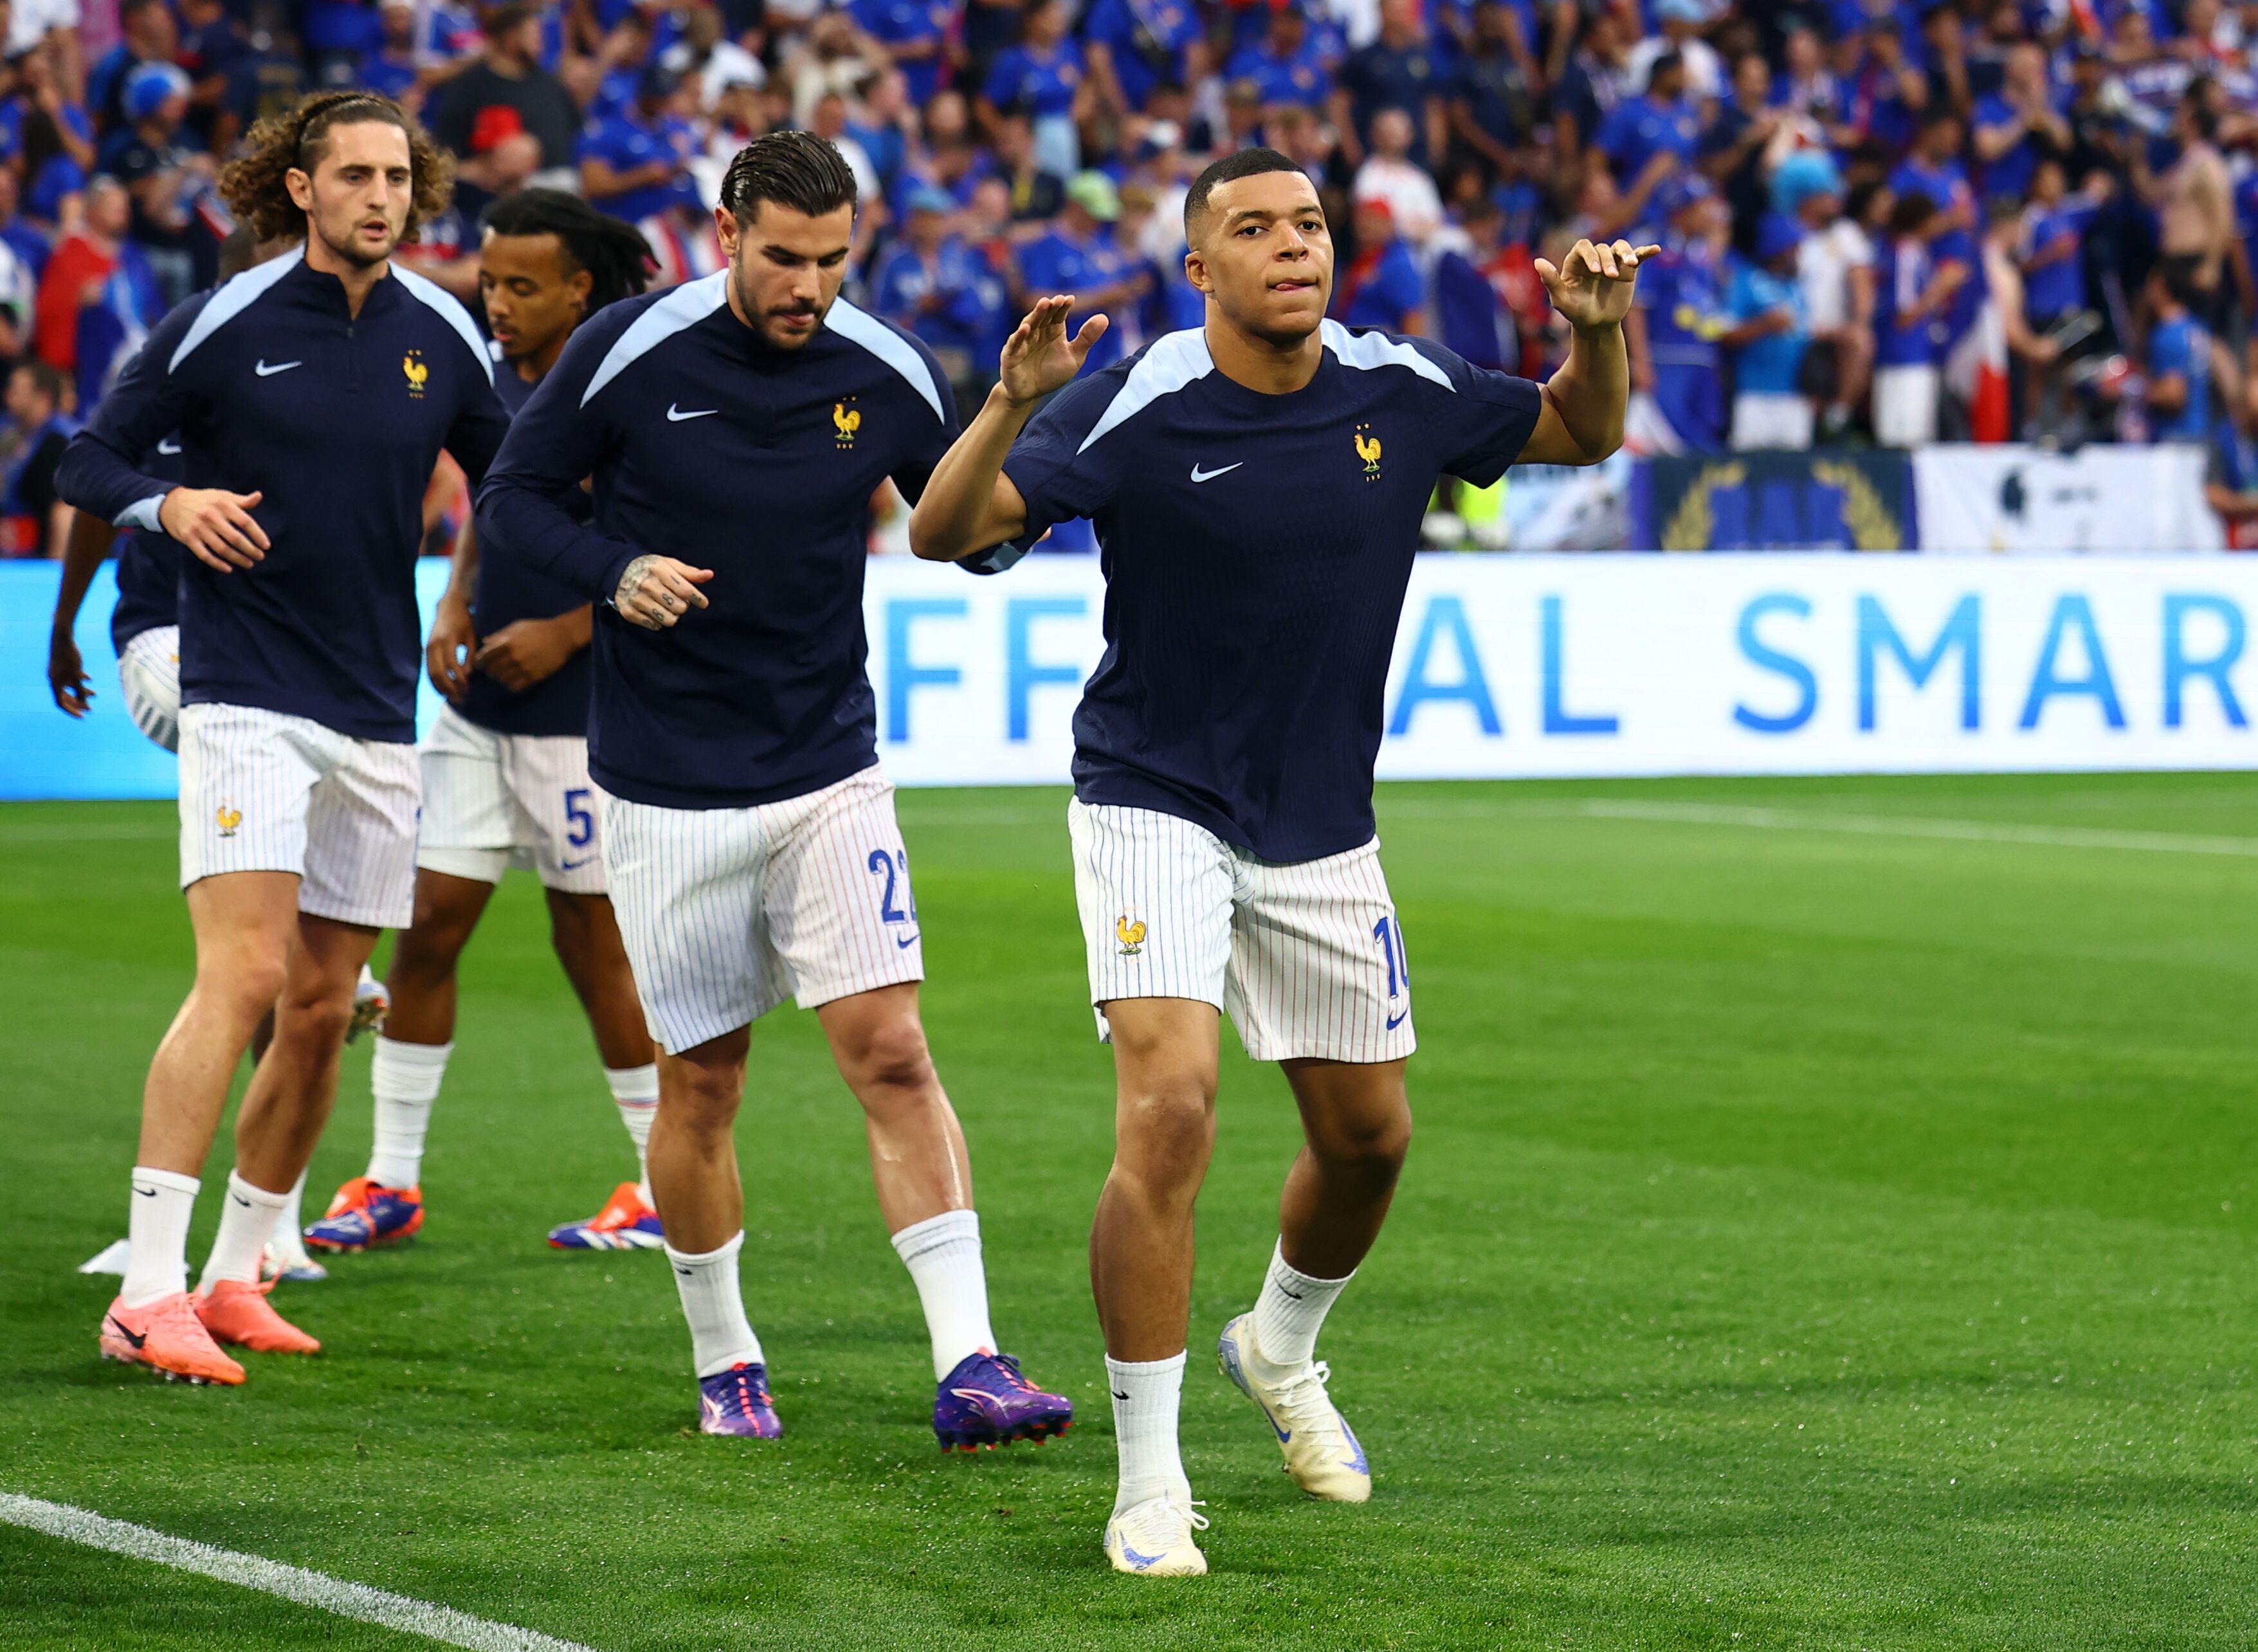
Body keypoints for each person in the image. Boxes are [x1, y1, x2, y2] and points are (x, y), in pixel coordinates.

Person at [906, 146, 1651, 1577]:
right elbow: (946, 535)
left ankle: (1279, 1348)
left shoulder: (1400, 385)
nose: (1290, 246)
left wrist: (1597, 328)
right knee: (1171, 1107)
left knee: (1370, 1142)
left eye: (1307, 223)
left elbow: (1581, 432)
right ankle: (1147, 1477)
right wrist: (1011, 402)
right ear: (1201, 269)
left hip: (1319, 825)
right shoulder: (1143, 400)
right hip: (1152, 799)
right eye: (1252, 229)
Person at [475, 131, 1073, 1448]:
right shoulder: (631, 347)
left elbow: (964, 533)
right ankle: (724, 1357)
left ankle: (972, 1360)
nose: (808, 287)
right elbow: (513, 495)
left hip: (825, 767)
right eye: (784, 259)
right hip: (665, 789)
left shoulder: (883, 365)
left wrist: (1012, 422)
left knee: (894, 1053)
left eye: (832, 261)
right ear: (728, 230)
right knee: (704, 1085)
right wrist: (611, 568)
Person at [53, 89, 511, 1386]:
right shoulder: (223, 319)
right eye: (354, 175)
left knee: (319, 1010)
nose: (381, 197)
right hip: (244, 687)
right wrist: (167, 499)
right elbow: (85, 459)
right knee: (246, 976)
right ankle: (147, 1289)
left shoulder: (445, 337)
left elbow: (516, 480)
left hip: (374, 709)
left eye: (398, 178)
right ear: (299, 188)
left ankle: (239, 1271)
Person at [307, 190, 666, 1258]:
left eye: (520, 284)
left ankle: (654, 1184)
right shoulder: (495, 377)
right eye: (488, 278)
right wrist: (457, 598)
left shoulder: (626, 387)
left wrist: (566, 629)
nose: (494, 300)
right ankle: (393, 1178)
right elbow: (491, 505)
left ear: (579, 289)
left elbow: (677, 547)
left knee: (594, 946)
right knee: (426, 930)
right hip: (478, 713)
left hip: (581, 722)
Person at [1724, 213, 1813, 450]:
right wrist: (1765, 325)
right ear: (1777, 247)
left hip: (1795, 394)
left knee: (1795, 472)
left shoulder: (1795, 286)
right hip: (1754, 394)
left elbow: (1805, 332)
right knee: (1750, 469)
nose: (1798, 254)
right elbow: (1727, 334)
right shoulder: (1745, 280)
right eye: (1793, 247)